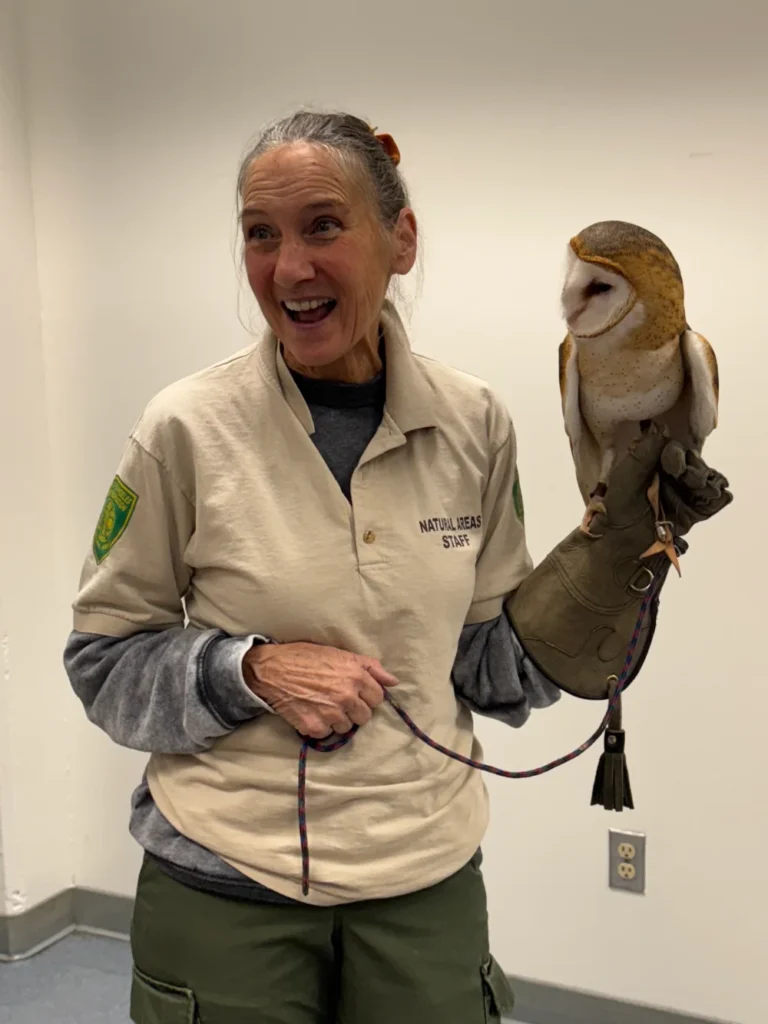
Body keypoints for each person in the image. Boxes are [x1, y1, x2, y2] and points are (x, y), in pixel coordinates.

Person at [64, 110, 731, 1024]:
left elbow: (490, 671)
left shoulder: (474, 421)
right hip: (223, 878)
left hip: (423, 879)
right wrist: (246, 668)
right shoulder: (185, 427)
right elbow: (101, 662)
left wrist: (614, 557)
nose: (289, 267)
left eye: (324, 226)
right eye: (260, 235)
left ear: (401, 240)